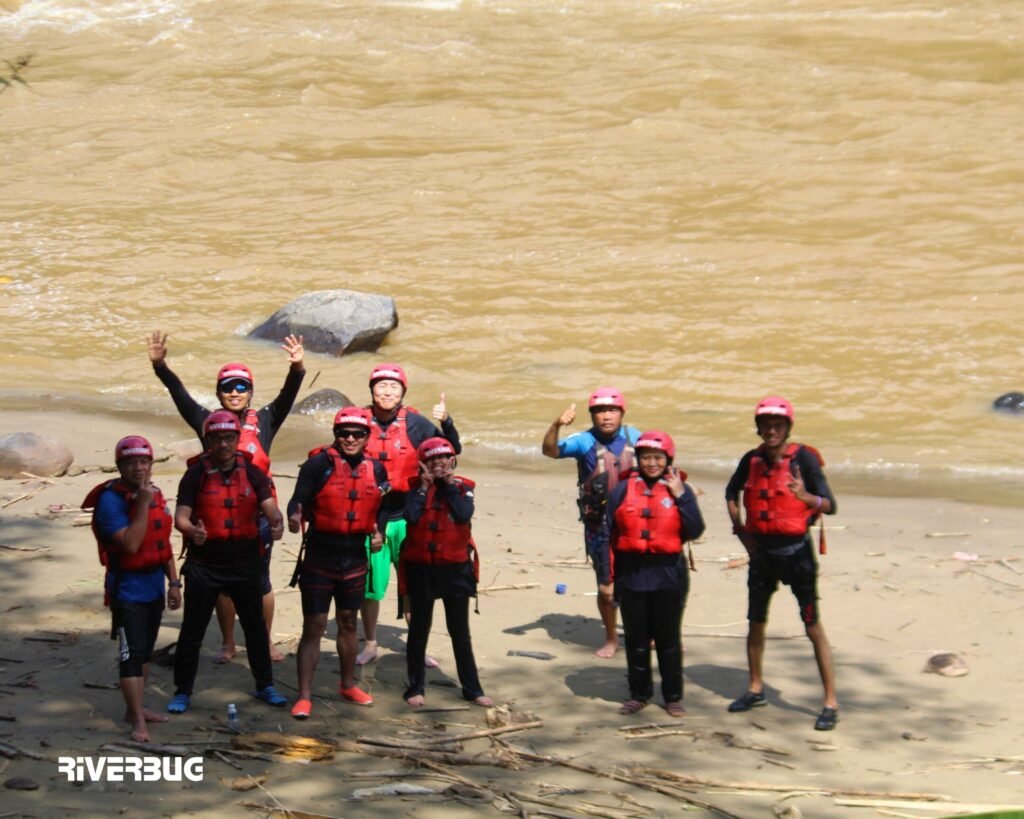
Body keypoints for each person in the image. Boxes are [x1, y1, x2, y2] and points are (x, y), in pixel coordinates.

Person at [147, 330, 305, 664]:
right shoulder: (207, 422)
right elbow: (180, 396)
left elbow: (288, 395)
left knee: (261, 582)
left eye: (242, 387)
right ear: (219, 393)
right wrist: (161, 367)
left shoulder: (265, 420)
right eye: (228, 387)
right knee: (222, 585)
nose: (235, 392)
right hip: (216, 519)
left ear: (250, 392)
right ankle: (229, 642)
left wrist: (297, 367)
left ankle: (265, 642)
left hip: (258, 520)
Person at [724, 396, 839, 731]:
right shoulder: (751, 459)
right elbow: (731, 493)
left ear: (788, 428)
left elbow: (830, 505)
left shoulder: (804, 460)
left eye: (777, 425)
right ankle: (755, 689)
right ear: (758, 428)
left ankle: (830, 702)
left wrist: (807, 497)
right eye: (766, 425)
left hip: (797, 555)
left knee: (812, 626)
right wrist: (742, 534)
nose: (771, 430)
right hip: (762, 556)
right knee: (756, 622)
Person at [167, 411, 287, 714]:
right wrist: (192, 531)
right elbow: (180, 517)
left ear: (237, 439)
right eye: (217, 438)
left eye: (229, 438)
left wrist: (277, 521)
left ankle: (265, 685)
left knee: (255, 629)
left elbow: (270, 508)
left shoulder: (254, 473)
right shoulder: (195, 474)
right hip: (204, 565)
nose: (223, 444)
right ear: (208, 441)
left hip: (245, 563)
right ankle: (182, 692)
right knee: (192, 632)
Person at [286, 408, 389, 719]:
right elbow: (297, 499)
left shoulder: (377, 469)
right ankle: (304, 696)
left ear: (367, 437)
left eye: (358, 434)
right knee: (314, 627)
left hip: (355, 558)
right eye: (344, 433)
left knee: (348, 623)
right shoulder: (318, 465)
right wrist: (294, 516)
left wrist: (380, 532)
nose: (350, 439)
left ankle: (347, 685)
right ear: (335, 434)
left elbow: (383, 507)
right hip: (320, 558)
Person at [356, 363, 461, 667]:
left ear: (403, 392)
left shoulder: (416, 423)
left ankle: (417, 646)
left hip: (408, 516)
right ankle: (371, 643)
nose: (387, 392)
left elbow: (451, 450)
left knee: (413, 587)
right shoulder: (359, 422)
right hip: (372, 517)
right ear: (372, 390)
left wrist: (446, 421)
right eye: (381, 386)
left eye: (394, 387)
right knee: (371, 587)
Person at [594, 431, 704, 717]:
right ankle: (639, 694)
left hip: (669, 574)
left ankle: (672, 696)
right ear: (638, 459)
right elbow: (606, 535)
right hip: (631, 574)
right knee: (636, 640)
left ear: (668, 459)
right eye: (646, 458)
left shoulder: (680, 488)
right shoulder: (622, 490)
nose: (652, 463)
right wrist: (607, 576)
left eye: (658, 458)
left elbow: (695, 529)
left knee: (668, 640)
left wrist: (681, 497)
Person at [84, 436, 182, 742]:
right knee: (131, 654)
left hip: (155, 584)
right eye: (130, 463)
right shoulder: (110, 501)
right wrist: (141, 504)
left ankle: (135, 709)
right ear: (119, 466)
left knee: (145, 652)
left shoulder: (155, 493)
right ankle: (137, 719)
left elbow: (162, 542)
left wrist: (174, 582)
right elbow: (131, 544)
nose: (138, 468)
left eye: (143, 461)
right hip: (128, 588)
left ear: (151, 464)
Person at [541, 387, 641, 657]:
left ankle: (646, 632)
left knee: (640, 584)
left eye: (612, 410)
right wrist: (556, 425)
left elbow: (659, 464)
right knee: (607, 589)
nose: (606, 416)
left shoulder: (636, 438)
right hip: (601, 526)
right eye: (600, 411)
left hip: (635, 524)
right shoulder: (584, 442)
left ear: (622, 413)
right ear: (592, 415)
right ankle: (611, 638)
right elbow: (549, 451)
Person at [400, 438, 493, 709]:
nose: (437, 463)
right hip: (422, 569)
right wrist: (424, 486)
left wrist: (449, 485)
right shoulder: (414, 489)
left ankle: (472, 689)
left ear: (452, 460)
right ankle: (415, 687)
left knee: (459, 631)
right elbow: (411, 517)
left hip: (455, 569)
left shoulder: (463, 488)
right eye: (431, 459)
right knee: (419, 630)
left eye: (443, 458)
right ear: (422, 464)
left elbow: (464, 514)